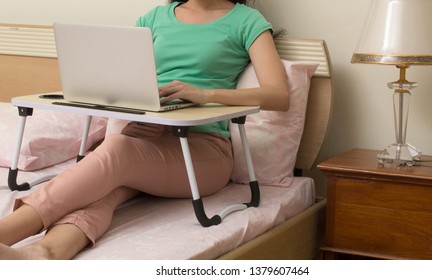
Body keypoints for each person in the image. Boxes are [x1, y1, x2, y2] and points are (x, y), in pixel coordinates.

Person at [0, 0, 288, 260]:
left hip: (205, 151)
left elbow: (278, 96)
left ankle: (8, 230)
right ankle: (43, 254)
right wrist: (139, 120)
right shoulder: (154, 18)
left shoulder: (247, 21)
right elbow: (127, 81)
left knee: (115, 151)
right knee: (103, 186)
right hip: (145, 139)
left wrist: (205, 94)